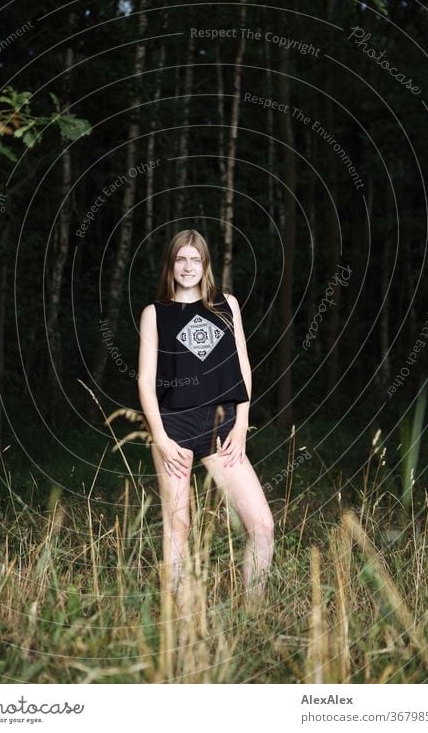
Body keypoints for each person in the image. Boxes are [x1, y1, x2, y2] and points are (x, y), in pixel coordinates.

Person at [137, 229, 274, 602]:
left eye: (195, 259)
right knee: (177, 527)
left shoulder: (226, 305)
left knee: (262, 526)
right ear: (171, 264)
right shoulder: (156, 314)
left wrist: (242, 423)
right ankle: (178, 622)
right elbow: (145, 382)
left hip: (222, 427)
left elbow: (243, 366)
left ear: (205, 264)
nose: (188, 266)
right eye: (181, 259)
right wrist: (161, 439)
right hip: (174, 428)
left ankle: (253, 614)